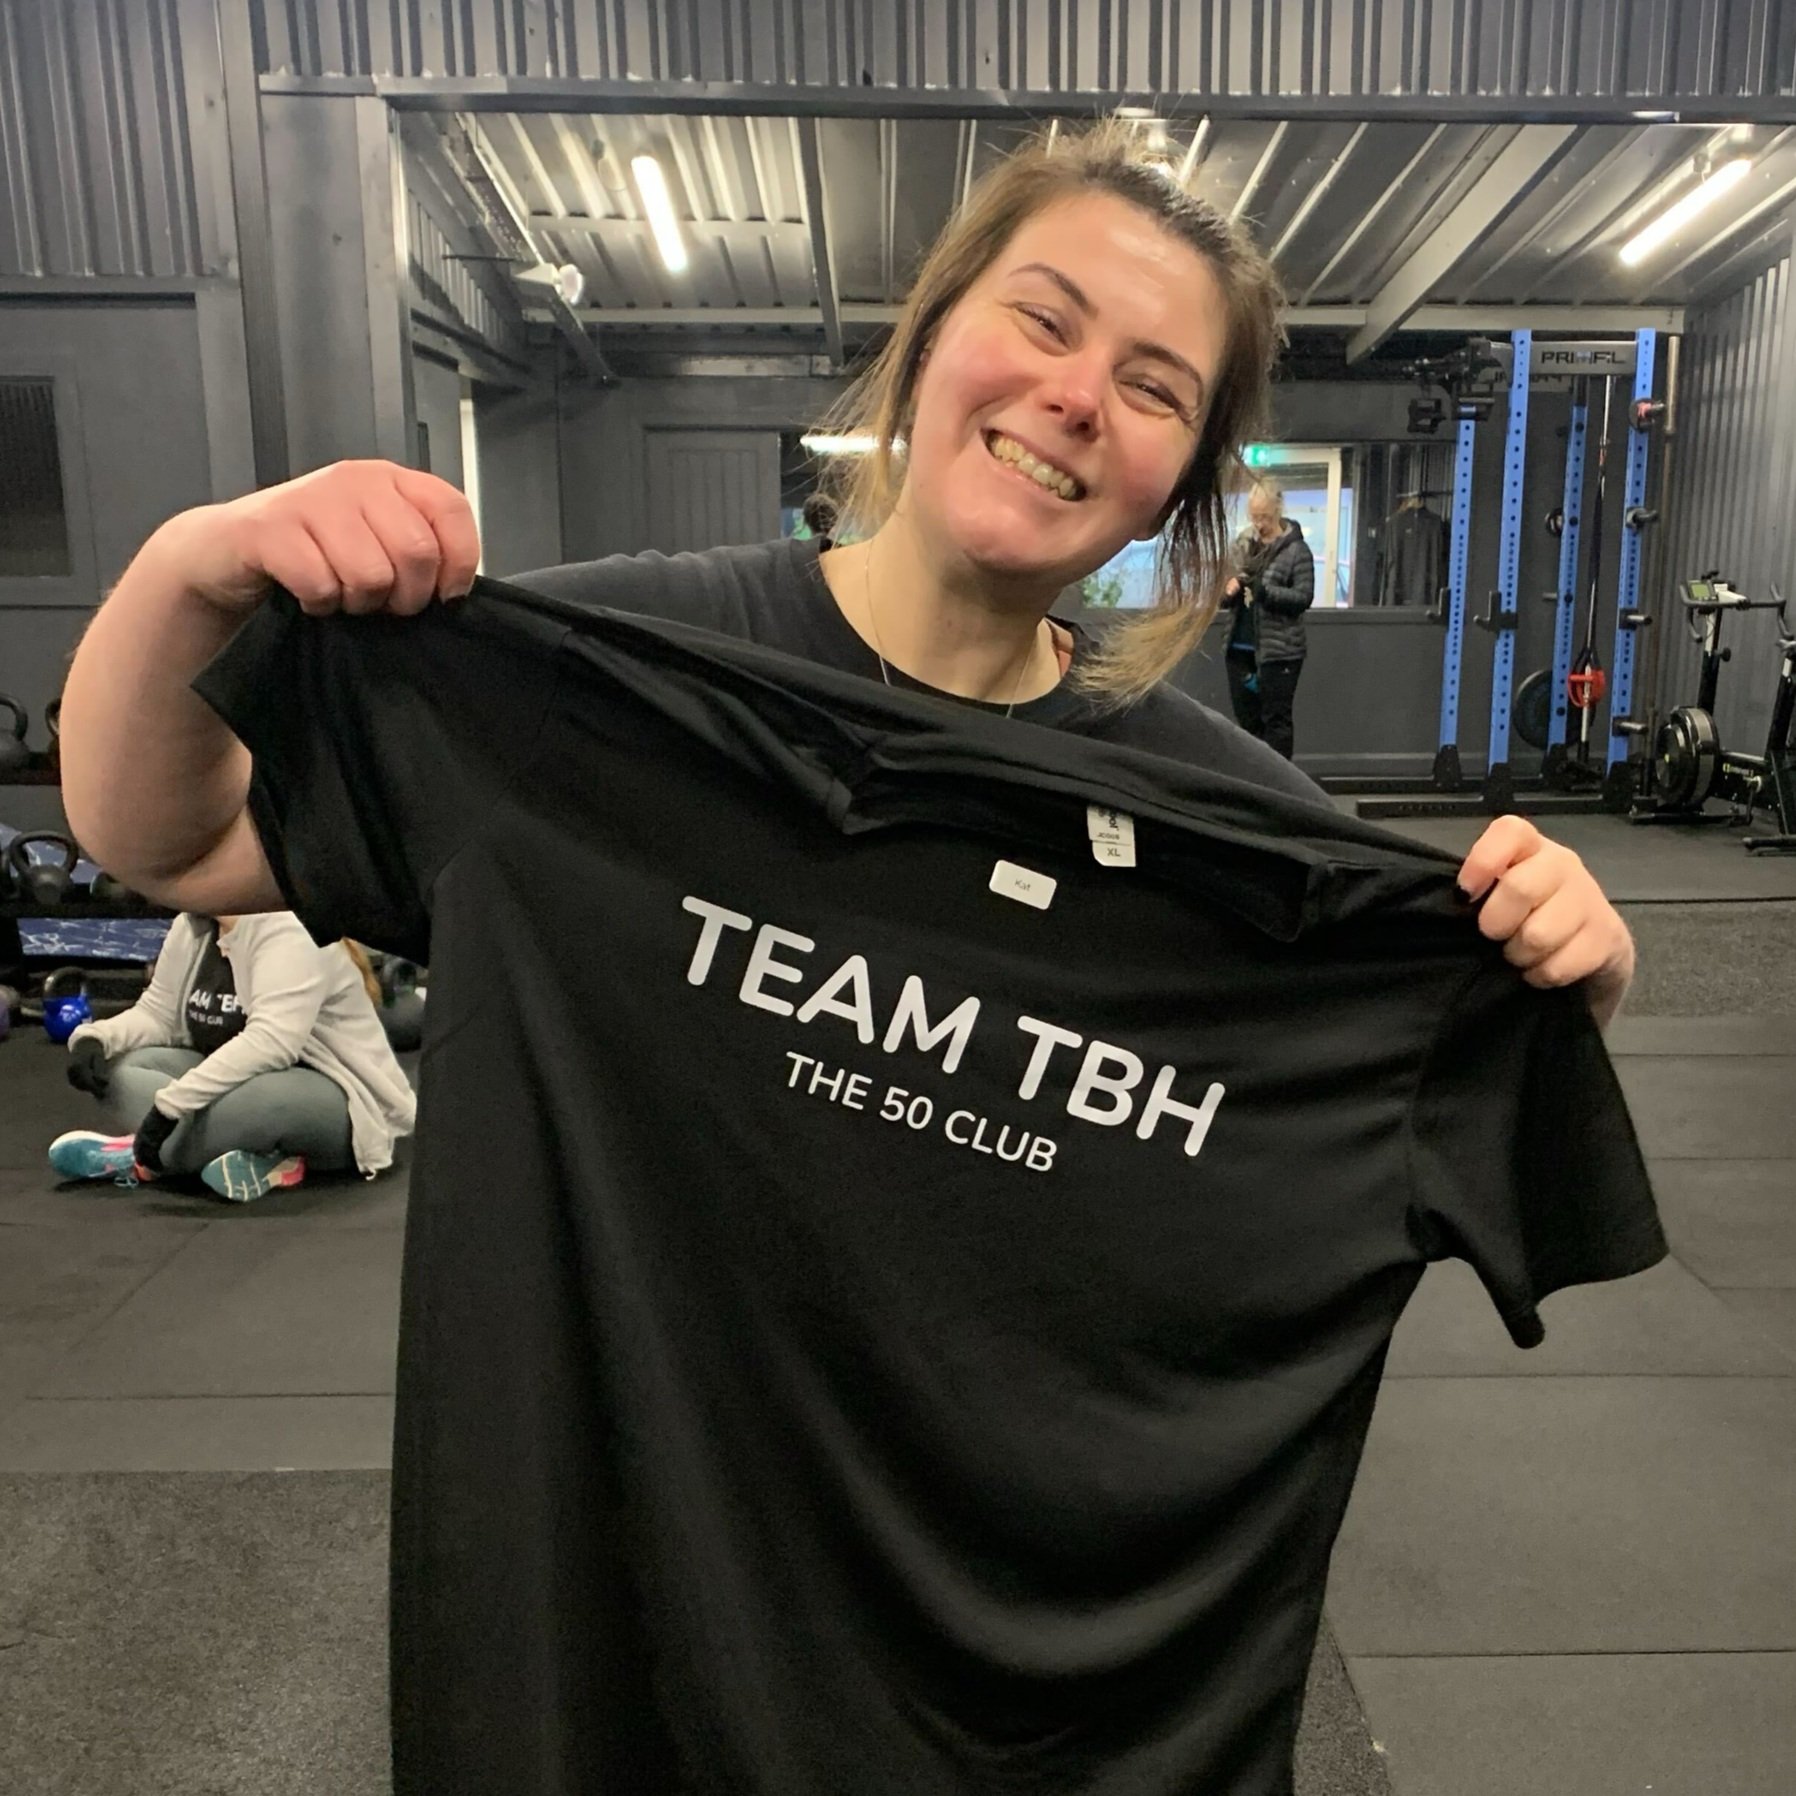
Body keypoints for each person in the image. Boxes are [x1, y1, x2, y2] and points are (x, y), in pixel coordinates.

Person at [53, 118, 1642, 1792]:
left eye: (1158, 386)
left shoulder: (1244, 853)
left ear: (1181, 481)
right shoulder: (606, 689)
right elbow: (164, 838)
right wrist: (193, 568)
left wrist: (1549, 978)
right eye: (1041, 317)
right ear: (936, 328)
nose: (1078, 394)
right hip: (623, 1685)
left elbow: (1491, 1115)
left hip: (1029, 1731)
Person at [49, 909, 416, 1201]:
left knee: (251, 1104)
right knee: (125, 1072)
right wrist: (94, 1040)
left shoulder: (290, 930)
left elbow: (271, 1043)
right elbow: (160, 1013)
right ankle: (243, 1155)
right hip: (237, 1081)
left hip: (340, 1100)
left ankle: (143, 1155)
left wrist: (169, 1106)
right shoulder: (192, 924)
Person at [1220, 478, 1313, 759]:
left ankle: (1281, 788)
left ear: (1278, 510)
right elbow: (1222, 592)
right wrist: (1230, 590)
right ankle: (1254, 785)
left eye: (1265, 517)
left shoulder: (1297, 551)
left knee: (1276, 722)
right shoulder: (1243, 543)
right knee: (1247, 723)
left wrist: (1266, 593)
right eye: (1254, 517)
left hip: (1280, 652)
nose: (1259, 524)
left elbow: (1302, 598)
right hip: (1240, 647)